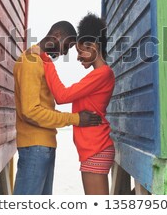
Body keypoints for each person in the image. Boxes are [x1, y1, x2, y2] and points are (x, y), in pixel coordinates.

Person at [13, 20, 102, 195]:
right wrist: (76, 118)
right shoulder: (31, 61)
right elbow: (30, 112)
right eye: (66, 46)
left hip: (43, 147)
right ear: (57, 36)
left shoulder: (42, 62)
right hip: (34, 148)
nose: (63, 53)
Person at [40, 14, 115, 195]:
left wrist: (46, 60)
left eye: (81, 52)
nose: (78, 58)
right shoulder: (96, 75)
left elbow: (62, 96)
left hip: (95, 148)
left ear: (93, 46)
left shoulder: (102, 74)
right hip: (92, 149)